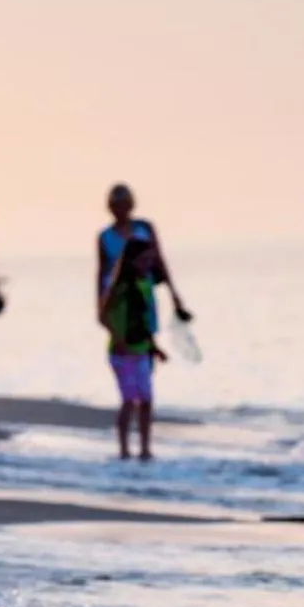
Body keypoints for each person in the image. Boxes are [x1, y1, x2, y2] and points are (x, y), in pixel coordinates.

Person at [97, 184, 191, 462]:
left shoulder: (145, 230)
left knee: (145, 391)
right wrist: (101, 310)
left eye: (125, 201)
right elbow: (100, 272)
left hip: (143, 312)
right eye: (116, 202)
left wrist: (175, 297)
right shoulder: (105, 238)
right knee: (130, 397)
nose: (121, 207)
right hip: (118, 311)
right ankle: (126, 448)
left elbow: (160, 261)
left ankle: (145, 447)